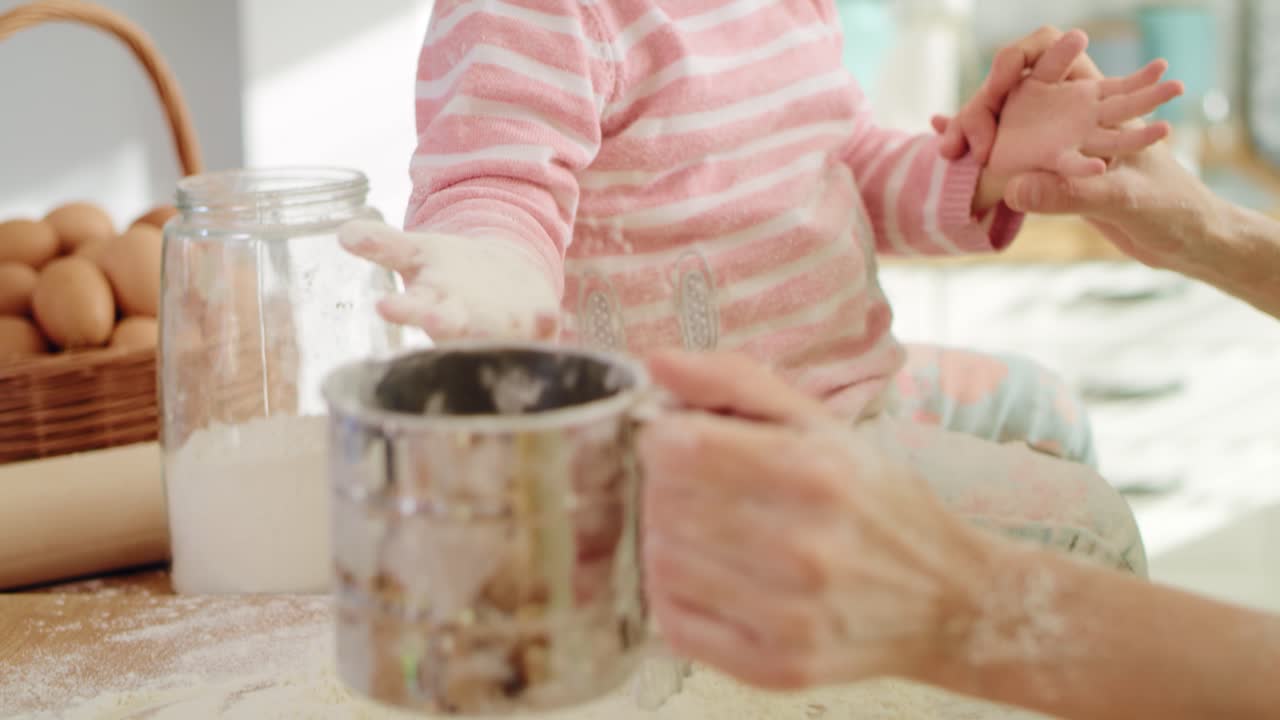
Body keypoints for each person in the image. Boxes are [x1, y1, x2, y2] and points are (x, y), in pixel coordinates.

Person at [340, 2, 1183, 574]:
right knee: (1092, 531)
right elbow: (498, 183)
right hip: (700, 463)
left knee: (1046, 407)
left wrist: (991, 168)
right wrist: (494, 268)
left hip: (843, 395)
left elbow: (842, 162)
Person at [637, 28, 1280, 720]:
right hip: (730, 415)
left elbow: (842, 160)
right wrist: (1208, 227)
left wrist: (962, 606)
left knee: (1089, 522)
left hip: (832, 392)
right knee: (1041, 406)